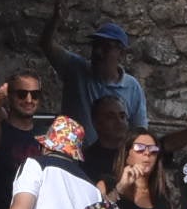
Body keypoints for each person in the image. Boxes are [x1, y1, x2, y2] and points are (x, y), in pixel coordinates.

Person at [43, 10, 149, 139]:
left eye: (106, 47)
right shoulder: (76, 70)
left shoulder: (132, 88)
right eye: (95, 46)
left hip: (111, 158)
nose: (98, 52)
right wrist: (55, 19)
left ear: (121, 54)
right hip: (72, 156)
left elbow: (139, 132)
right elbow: (46, 45)